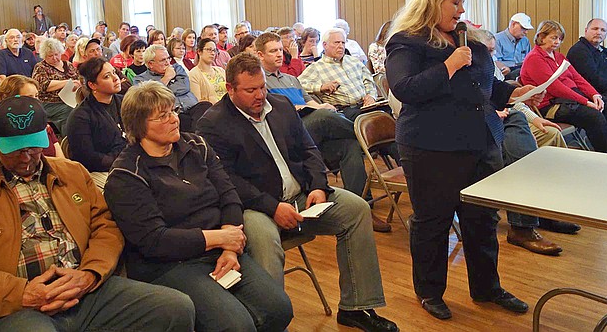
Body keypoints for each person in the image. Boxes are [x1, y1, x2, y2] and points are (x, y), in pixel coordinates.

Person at [0, 95, 195, 332]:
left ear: (48, 135)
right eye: (15, 150)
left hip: (85, 290)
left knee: (175, 309)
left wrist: (90, 273)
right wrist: (20, 292)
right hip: (12, 307)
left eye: (34, 147)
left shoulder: (72, 173)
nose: (26, 157)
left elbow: (105, 227)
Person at [197, 53, 398, 332]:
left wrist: (317, 185)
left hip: (301, 195)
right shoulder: (213, 123)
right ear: (230, 89)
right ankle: (273, 321)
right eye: (250, 90)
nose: (260, 95)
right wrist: (272, 207)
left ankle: (357, 307)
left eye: (263, 87)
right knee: (264, 240)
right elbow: (228, 181)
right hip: (255, 206)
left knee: (356, 210)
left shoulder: (279, 105)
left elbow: (309, 150)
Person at [386, 0, 534, 320]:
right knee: (433, 222)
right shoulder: (407, 43)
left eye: (462, 3)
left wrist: (518, 91)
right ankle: (429, 292)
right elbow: (405, 88)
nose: (462, 10)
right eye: (455, 2)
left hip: (479, 141)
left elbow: (486, 85)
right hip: (430, 146)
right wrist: (449, 65)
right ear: (433, 3)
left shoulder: (466, 39)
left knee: (482, 220)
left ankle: (487, 288)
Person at [105, 81, 293, 332]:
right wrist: (220, 237)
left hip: (219, 250)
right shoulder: (126, 175)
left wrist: (229, 247)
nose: (174, 119)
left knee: (279, 308)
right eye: (163, 116)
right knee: (236, 325)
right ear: (139, 126)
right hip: (169, 265)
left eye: (173, 110)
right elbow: (154, 241)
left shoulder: (195, 146)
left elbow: (229, 196)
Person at [255, 32, 391, 233]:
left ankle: (364, 205)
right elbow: (273, 113)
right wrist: (308, 109)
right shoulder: (260, 83)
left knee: (350, 147)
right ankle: (373, 134)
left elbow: (309, 101)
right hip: (288, 133)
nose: (279, 55)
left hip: (311, 133)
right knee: (324, 117)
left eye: (280, 50)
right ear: (260, 55)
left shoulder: (291, 79)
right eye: (273, 51)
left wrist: (320, 105)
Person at [477, 29, 572, 255]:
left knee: (548, 133)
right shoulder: (464, 71)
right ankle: (523, 225)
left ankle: (542, 210)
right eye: (487, 52)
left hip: (504, 120)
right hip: (479, 131)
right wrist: (489, 113)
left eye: (493, 51)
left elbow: (513, 101)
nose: (492, 57)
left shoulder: (490, 70)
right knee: (519, 150)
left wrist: (537, 118)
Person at [520, 20, 607, 156]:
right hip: (551, 105)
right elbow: (556, 88)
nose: (557, 42)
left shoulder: (559, 56)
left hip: (570, 99)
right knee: (594, 117)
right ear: (541, 37)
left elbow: (578, 78)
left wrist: (594, 95)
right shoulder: (535, 58)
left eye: (560, 38)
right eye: (553, 37)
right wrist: (585, 101)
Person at [66, 59, 128, 190]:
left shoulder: (126, 103)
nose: (116, 78)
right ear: (93, 85)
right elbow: (87, 157)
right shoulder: (80, 117)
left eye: (114, 72)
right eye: (107, 76)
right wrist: (120, 161)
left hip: (129, 162)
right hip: (100, 171)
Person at [298, 28, 379, 120]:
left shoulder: (354, 61)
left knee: (390, 112)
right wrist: (320, 87)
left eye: (343, 43)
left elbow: (369, 81)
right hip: (345, 111)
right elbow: (297, 85)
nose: (341, 46)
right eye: (336, 43)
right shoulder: (317, 67)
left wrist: (371, 96)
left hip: (366, 106)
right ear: (325, 45)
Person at [133, 45, 211, 132]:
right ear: (150, 64)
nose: (167, 63)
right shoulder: (140, 79)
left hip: (192, 108)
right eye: (163, 60)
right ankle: (196, 138)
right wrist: (167, 77)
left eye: (168, 58)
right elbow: (150, 97)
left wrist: (163, 90)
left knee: (206, 106)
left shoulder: (177, 68)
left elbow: (184, 87)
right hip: (171, 112)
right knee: (182, 120)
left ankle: (198, 137)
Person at [32, 38, 81, 134]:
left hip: (71, 100)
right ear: (44, 56)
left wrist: (77, 83)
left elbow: (78, 79)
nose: (54, 58)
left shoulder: (68, 65)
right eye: (50, 56)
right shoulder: (41, 67)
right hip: (49, 103)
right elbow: (43, 86)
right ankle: (68, 140)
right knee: (70, 111)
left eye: (56, 54)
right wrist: (67, 82)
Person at [494, 12, 534, 80]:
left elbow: (529, 59)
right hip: (506, 72)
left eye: (527, 29)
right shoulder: (497, 39)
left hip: (522, 70)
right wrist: (503, 67)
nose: (526, 32)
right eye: (523, 28)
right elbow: (494, 60)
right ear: (513, 24)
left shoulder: (525, 41)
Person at [189, 38, 227, 104]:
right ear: (199, 51)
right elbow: (198, 102)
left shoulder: (221, 70)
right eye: (209, 50)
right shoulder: (194, 74)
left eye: (214, 50)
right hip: (211, 110)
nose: (212, 53)